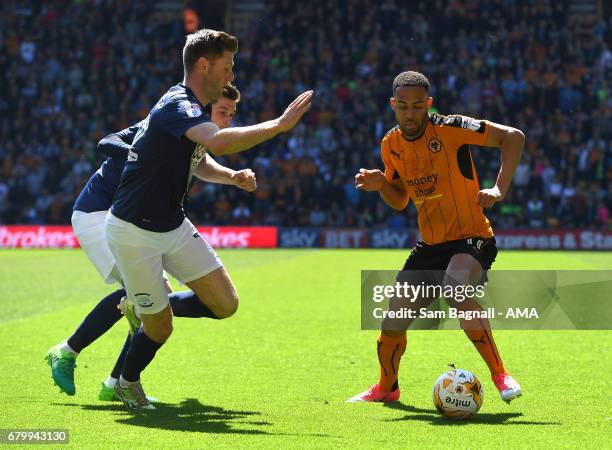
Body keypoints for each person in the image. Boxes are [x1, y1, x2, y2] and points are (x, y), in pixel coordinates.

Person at [105, 28, 313, 410]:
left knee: (225, 304)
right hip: (133, 232)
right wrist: (280, 125)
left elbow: (200, 159)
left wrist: (231, 177)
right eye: (227, 67)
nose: (231, 76)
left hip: (172, 224)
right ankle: (125, 381)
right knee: (160, 327)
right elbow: (217, 141)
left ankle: (142, 307)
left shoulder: (191, 112)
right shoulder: (178, 104)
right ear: (204, 65)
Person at [46, 84, 255, 402]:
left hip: (134, 220)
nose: (227, 121)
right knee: (139, 298)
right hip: (98, 212)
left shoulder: (191, 136)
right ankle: (66, 351)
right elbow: (107, 141)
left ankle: (115, 383)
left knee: (148, 302)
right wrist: (137, 154)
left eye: (231, 114)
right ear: (202, 109)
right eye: (223, 112)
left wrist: (231, 176)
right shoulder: (167, 122)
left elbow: (199, 163)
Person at [348, 71, 524, 404]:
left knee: (456, 288)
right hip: (431, 245)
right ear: (393, 105)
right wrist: (382, 184)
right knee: (392, 320)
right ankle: (387, 388)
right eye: (403, 107)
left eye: (417, 106)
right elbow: (400, 200)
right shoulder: (390, 144)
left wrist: (499, 188)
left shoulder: (451, 127)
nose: (410, 113)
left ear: (428, 104)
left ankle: (500, 374)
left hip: (472, 236)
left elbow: (513, 137)